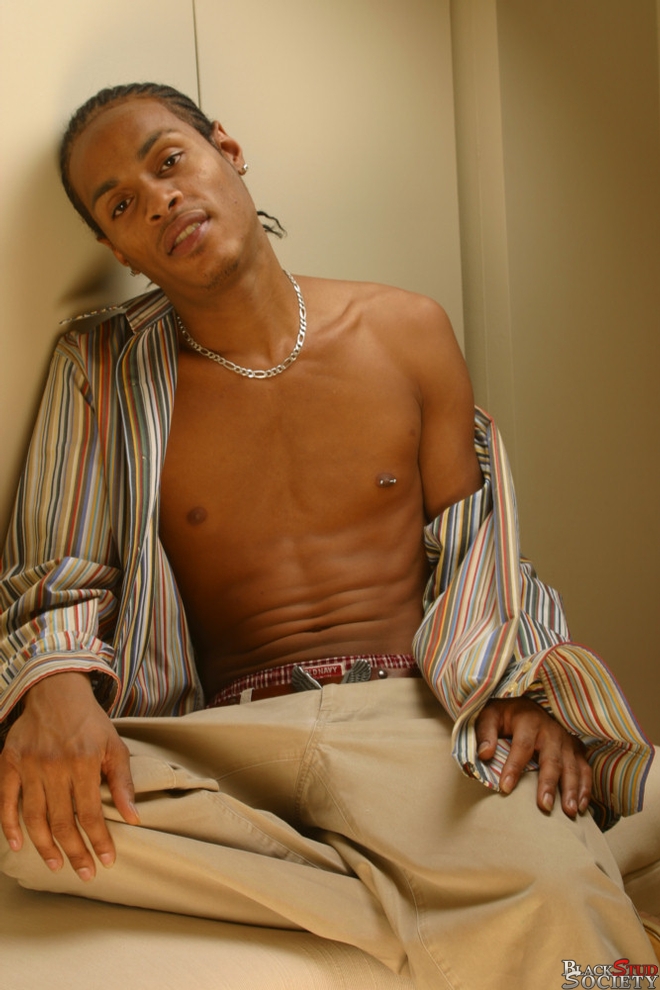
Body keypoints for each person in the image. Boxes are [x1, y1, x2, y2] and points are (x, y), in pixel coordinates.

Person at [0, 83, 654, 988]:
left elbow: (479, 548)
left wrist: (516, 687)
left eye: (169, 160)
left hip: (403, 718)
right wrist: (54, 686)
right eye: (120, 205)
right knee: (24, 825)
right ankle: (440, 903)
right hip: (228, 741)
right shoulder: (100, 367)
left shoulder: (405, 330)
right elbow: (54, 572)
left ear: (227, 150)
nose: (157, 200)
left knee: (566, 906)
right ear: (118, 250)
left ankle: (454, 896)